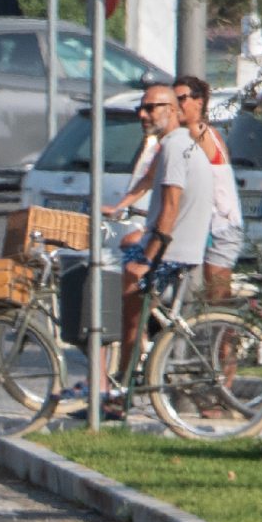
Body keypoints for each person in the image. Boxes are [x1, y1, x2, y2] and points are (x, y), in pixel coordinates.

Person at [101, 87, 212, 389]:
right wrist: (120, 207)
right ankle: (130, 367)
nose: (143, 114)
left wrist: (147, 260)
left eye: (151, 108)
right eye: (141, 108)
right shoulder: (173, 144)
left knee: (127, 299)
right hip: (176, 247)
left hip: (173, 253)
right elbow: (149, 181)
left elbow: (170, 207)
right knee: (124, 284)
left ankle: (122, 385)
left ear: (173, 110)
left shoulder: (175, 147)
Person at [175, 75, 244, 302]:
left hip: (222, 224)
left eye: (181, 99)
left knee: (218, 299)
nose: (176, 105)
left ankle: (227, 327)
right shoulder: (195, 132)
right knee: (212, 296)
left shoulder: (198, 131)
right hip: (210, 223)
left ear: (199, 102)